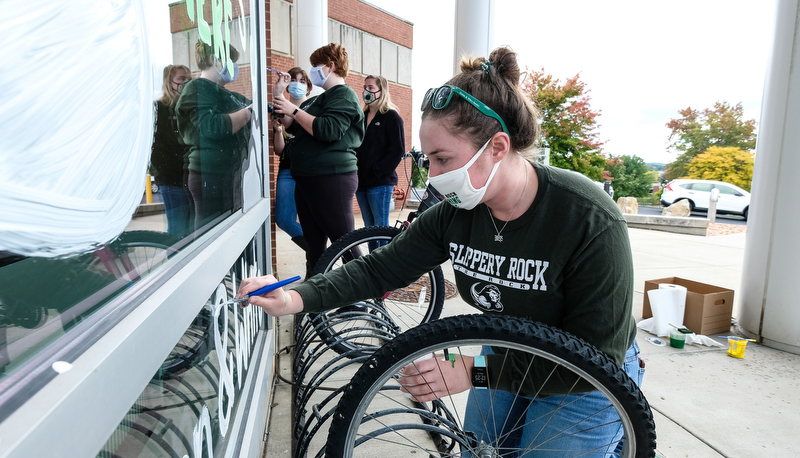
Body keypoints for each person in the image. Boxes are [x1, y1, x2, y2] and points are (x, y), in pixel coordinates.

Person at [241, 46, 642, 455]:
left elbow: (594, 359)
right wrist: (294, 296)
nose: (433, 175)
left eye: (443, 158)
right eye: (427, 159)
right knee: (478, 449)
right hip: (510, 349)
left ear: (498, 148)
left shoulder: (587, 218)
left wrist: (473, 370)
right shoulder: (456, 213)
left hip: (584, 376)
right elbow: (379, 270)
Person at [271, 43, 365, 276]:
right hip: (308, 179)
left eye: (315, 66)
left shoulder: (344, 95)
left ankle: (367, 294)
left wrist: (293, 111)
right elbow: (292, 126)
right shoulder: (317, 100)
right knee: (314, 246)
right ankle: (314, 298)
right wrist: (278, 95)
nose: (312, 70)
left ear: (330, 66)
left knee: (345, 243)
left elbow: (328, 130)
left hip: (331, 178)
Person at [176, 39, 252, 230]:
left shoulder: (224, 93)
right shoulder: (197, 88)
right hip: (209, 176)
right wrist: (249, 112)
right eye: (230, 60)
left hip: (226, 175)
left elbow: (255, 104)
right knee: (209, 236)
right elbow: (211, 126)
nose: (234, 66)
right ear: (213, 59)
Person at [354, 75, 405, 251]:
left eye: (370, 88)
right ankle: (372, 267)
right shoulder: (362, 116)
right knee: (369, 228)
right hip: (361, 183)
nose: (366, 92)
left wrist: (377, 170)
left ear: (381, 91)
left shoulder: (391, 117)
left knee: (380, 228)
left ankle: (384, 269)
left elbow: (398, 150)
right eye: (365, 87)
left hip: (380, 183)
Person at [272, 67, 312, 252]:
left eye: (302, 80)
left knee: (312, 221)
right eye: (294, 80)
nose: (298, 84)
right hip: (287, 170)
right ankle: (318, 252)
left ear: (308, 86)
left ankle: (313, 266)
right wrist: (279, 132)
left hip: (309, 171)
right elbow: (279, 151)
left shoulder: (313, 106)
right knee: (284, 219)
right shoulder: (282, 109)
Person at [150, 64, 193, 237]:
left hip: (190, 177)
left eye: (188, 79)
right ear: (169, 82)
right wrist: (167, 168)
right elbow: (155, 147)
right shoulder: (158, 109)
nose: (186, 83)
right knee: (176, 232)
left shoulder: (189, 107)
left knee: (192, 230)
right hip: (171, 180)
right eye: (181, 79)